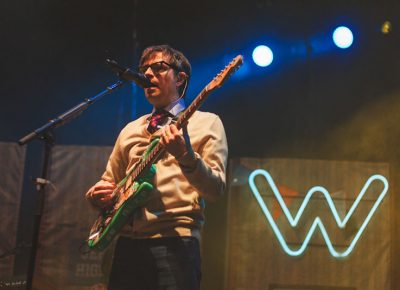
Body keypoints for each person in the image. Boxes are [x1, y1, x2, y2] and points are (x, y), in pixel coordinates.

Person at [85, 44, 228, 290]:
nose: (148, 74)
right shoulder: (130, 130)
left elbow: (216, 189)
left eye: (158, 68)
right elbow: (109, 181)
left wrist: (186, 156)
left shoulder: (207, 124)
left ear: (180, 77)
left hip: (176, 244)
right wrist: (97, 195)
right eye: (144, 69)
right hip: (126, 244)